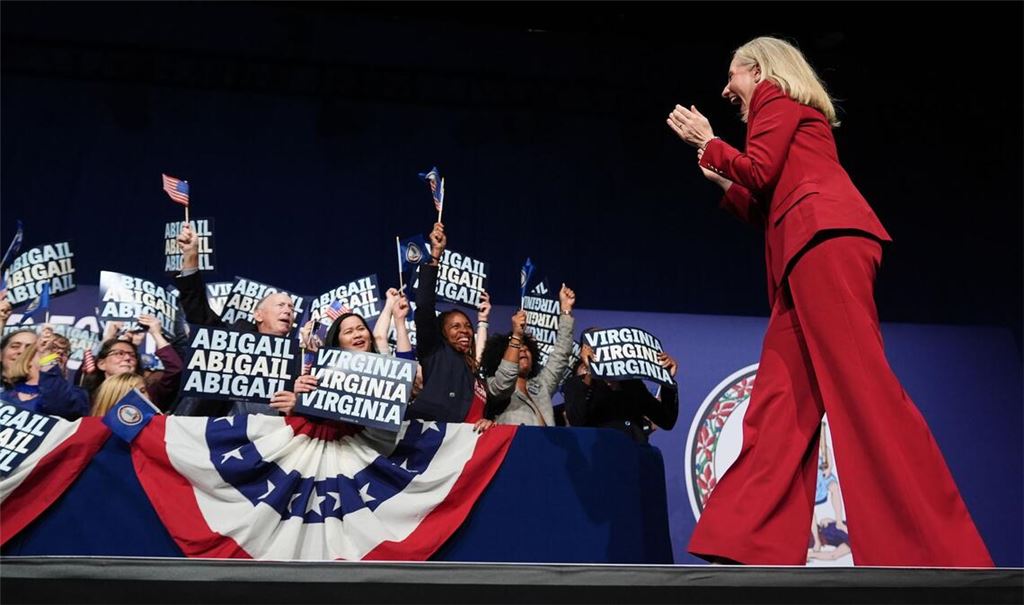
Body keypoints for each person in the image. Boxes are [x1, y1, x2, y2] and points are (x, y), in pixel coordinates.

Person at [667, 36, 992, 566]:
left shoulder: (776, 95)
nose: (728, 89)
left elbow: (760, 170)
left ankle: (930, 545)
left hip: (825, 244)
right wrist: (722, 179)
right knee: (779, 400)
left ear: (762, 68)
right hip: (803, 252)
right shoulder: (786, 115)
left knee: (864, 390)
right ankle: (748, 542)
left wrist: (710, 142)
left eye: (733, 75)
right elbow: (769, 201)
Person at [175, 222, 309, 416]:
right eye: (280, 305)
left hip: (272, 440)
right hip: (216, 433)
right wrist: (191, 257)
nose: (288, 311)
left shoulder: (299, 358)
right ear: (258, 315)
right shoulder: (231, 337)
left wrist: (297, 406)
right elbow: (198, 310)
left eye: (291, 307)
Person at [411, 222, 491, 432]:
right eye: (455, 326)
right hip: (429, 446)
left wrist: (488, 421)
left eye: (467, 325)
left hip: (463, 451)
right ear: (442, 332)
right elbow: (424, 306)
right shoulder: (434, 351)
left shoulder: (477, 374)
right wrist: (435, 256)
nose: (464, 330)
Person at [478, 284, 577, 426]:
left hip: (546, 447)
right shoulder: (492, 385)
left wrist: (566, 311)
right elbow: (504, 382)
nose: (523, 350)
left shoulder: (542, 385)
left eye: (526, 348)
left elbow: (561, 353)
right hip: (515, 446)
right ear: (501, 359)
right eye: (518, 349)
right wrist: (516, 336)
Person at [561, 330, 678, 443]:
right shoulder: (577, 384)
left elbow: (666, 420)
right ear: (584, 352)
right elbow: (577, 420)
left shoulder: (632, 384)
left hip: (633, 454)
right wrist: (591, 373)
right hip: (600, 456)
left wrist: (666, 379)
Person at [84, 314, 183, 411]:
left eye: (132, 355)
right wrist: (109, 336)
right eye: (119, 353)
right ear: (101, 364)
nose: (127, 357)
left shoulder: (150, 392)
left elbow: (175, 369)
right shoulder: (88, 395)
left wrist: (156, 334)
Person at [1, 335, 89, 419]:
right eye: (52, 348)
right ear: (29, 357)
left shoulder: (76, 394)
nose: (59, 352)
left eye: (65, 352)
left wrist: (48, 361)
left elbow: (58, 405)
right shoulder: (4, 394)